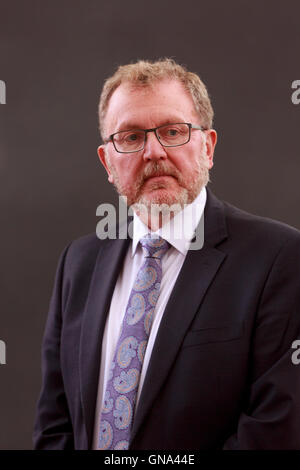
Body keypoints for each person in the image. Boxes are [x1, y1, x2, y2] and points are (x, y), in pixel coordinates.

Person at [33, 58, 300, 450]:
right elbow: (55, 426)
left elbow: (275, 430)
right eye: (131, 137)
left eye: (173, 131)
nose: (154, 152)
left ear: (207, 147)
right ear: (108, 161)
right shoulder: (79, 264)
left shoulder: (280, 260)